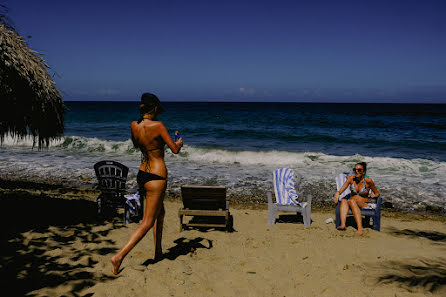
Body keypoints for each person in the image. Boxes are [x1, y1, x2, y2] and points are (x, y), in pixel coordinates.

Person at [111, 93, 183, 275]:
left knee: (161, 212)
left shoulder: (134, 125)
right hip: (157, 176)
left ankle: (158, 251)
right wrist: (178, 143)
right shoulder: (158, 126)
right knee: (147, 222)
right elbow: (174, 150)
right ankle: (119, 256)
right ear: (156, 109)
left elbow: (137, 145)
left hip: (142, 174)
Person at [333, 162, 380, 236]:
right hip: (352, 202)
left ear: (363, 172)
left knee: (352, 200)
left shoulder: (368, 181)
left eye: (359, 170)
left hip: (364, 203)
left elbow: (377, 193)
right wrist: (336, 195)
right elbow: (341, 191)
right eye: (355, 169)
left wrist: (374, 195)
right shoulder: (350, 179)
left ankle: (360, 228)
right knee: (344, 200)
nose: (356, 171)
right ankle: (343, 225)